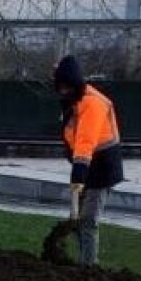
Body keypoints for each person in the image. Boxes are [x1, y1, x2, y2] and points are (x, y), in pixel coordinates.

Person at [53, 55, 123, 266]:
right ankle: (84, 259)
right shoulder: (73, 101)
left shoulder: (91, 104)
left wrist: (78, 173)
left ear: (73, 83)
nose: (62, 91)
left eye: (65, 86)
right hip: (88, 167)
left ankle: (88, 267)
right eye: (60, 86)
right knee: (80, 219)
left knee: (88, 220)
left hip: (101, 168)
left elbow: (85, 141)